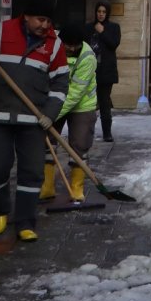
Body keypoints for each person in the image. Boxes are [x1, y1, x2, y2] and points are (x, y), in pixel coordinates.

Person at [0, 0, 69, 242]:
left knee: (32, 172)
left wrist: (50, 114)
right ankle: (0, 210)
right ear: (27, 16)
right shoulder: (0, 32)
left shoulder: (54, 45)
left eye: (49, 21)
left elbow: (60, 84)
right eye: (40, 20)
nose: (45, 26)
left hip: (33, 120)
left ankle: (25, 222)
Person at [41, 24, 98, 203]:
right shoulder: (51, 48)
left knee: (79, 144)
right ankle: (46, 187)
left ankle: (76, 188)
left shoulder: (87, 57)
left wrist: (51, 115)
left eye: (76, 45)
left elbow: (74, 93)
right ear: (61, 42)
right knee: (46, 142)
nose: (72, 48)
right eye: (68, 45)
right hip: (54, 99)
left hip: (82, 105)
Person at [86, 2, 121, 142]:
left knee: (104, 102)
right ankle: (85, 132)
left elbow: (114, 44)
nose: (101, 14)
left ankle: (107, 133)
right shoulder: (89, 27)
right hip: (89, 70)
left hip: (105, 71)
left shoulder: (113, 27)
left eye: (103, 12)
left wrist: (102, 32)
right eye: (99, 11)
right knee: (87, 103)